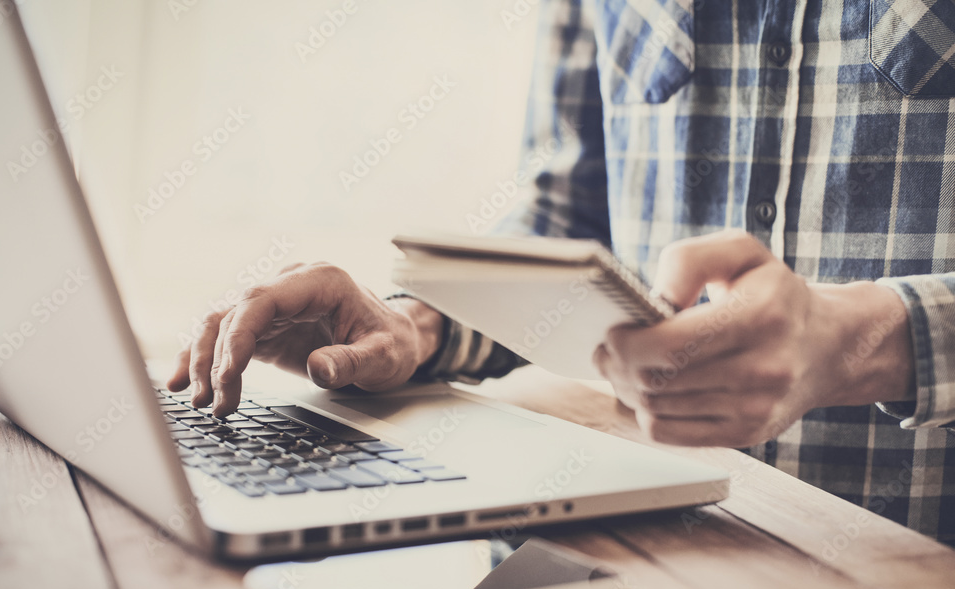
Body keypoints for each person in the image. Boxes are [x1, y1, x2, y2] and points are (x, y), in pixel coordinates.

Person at [169, 0, 955, 545]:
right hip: (647, 555)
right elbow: (568, 219)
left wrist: (862, 342)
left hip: (914, 582)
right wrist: (412, 325)